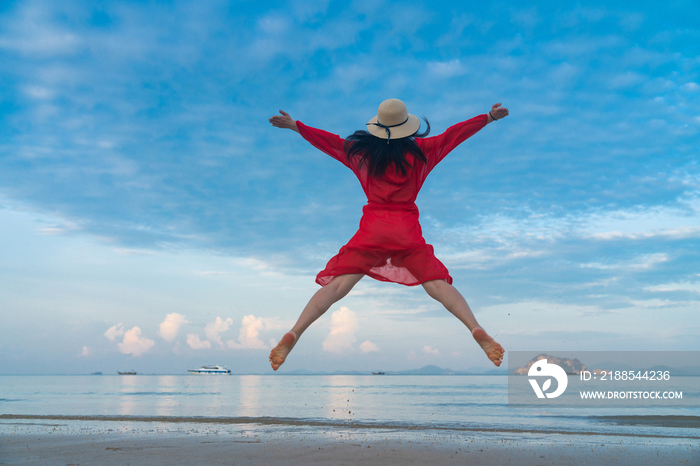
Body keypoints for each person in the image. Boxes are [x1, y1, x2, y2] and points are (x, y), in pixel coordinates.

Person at [268, 98, 508, 371]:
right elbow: (454, 135)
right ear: (409, 126)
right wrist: (488, 117)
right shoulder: (423, 151)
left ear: (378, 126)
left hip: (373, 229)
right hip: (406, 230)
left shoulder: (360, 152)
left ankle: (296, 332)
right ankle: (475, 327)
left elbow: (330, 141)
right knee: (437, 284)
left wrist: (296, 126)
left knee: (337, 286)